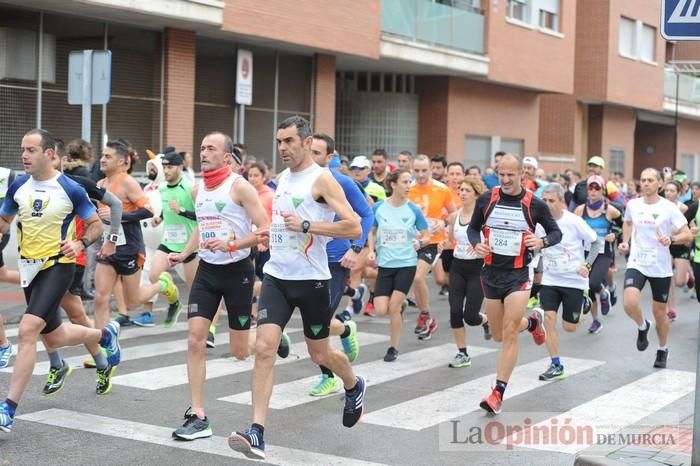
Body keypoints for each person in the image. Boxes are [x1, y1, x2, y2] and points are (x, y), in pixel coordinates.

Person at [229, 116, 363, 460]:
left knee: (320, 353)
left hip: (312, 279)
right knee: (263, 349)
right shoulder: (282, 179)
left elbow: (353, 226)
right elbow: (279, 224)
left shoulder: (323, 180)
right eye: (279, 141)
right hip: (277, 276)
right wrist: (260, 237)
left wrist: (308, 225)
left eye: (289, 141)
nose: (282, 148)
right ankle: (256, 432)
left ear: (306, 142)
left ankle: (352, 382)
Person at [0, 129, 122, 433]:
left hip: (59, 265)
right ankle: (104, 336)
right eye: (23, 149)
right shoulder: (17, 187)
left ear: (51, 154)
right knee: (53, 337)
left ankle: (8, 409)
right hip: (31, 269)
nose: (24, 155)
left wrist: (80, 244)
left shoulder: (71, 188)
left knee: (28, 330)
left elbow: (94, 225)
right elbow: (4, 221)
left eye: (31, 150)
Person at [168, 133, 271, 441]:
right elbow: (201, 223)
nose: (204, 152)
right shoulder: (198, 188)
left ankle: (268, 341)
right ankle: (198, 416)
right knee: (194, 340)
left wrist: (232, 244)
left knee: (240, 351)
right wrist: (186, 253)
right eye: (202, 148)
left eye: (211, 148)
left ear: (227, 157)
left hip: (238, 271)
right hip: (207, 272)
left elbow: (265, 230)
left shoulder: (240, 187)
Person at [468, 154, 562, 414]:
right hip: (491, 273)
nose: (506, 180)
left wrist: (541, 242)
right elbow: (473, 228)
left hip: (520, 275)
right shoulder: (488, 199)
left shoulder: (534, 204)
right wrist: (477, 243)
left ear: (522, 174)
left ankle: (497, 393)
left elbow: (556, 233)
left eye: (511, 174)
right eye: (502, 174)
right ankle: (532, 323)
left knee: (509, 332)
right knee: (498, 333)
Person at [306, 132, 371, 395]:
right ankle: (345, 329)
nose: (311, 158)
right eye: (308, 151)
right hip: (307, 260)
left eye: (317, 153)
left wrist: (357, 248)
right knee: (312, 320)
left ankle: (329, 376)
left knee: (318, 323)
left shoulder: (341, 182)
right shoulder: (295, 182)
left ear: (330, 157)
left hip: (335, 261)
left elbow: (366, 214)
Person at [92, 141, 179, 329]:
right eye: (102, 155)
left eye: (108, 156)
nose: (102, 159)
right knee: (101, 298)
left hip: (129, 248)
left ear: (122, 161)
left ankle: (162, 285)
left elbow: (147, 211)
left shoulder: (127, 182)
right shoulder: (99, 184)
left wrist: (119, 215)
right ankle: (104, 346)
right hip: (108, 247)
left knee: (133, 302)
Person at [620, 168, 692, 369]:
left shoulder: (669, 208)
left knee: (659, 312)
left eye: (650, 180)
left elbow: (688, 235)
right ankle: (643, 326)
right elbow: (627, 223)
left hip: (660, 267)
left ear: (659, 184)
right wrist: (625, 242)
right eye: (643, 180)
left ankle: (662, 349)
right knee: (629, 303)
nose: (645, 183)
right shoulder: (633, 204)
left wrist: (672, 238)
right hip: (637, 262)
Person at [537, 183, 599, 381]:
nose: (547, 205)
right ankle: (556, 364)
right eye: (544, 200)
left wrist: (587, 266)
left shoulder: (574, 221)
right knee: (548, 319)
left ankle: (584, 303)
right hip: (550, 279)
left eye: (551, 201)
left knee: (570, 328)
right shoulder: (539, 223)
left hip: (574, 280)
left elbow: (596, 242)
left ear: (561, 201)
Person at [367, 169, 428, 361]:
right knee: (380, 309)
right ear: (393, 184)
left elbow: (427, 234)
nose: (409, 186)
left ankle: (392, 348)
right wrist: (370, 250)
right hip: (385, 264)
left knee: (392, 307)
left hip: (406, 263)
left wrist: (421, 242)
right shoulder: (379, 207)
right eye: (405, 182)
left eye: (410, 182)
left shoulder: (413, 210)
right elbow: (372, 230)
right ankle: (400, 305)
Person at [407, 154, 455, 339]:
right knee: (411, 282)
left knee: (418, 277)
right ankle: (425, 314)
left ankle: (425, 314)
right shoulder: (408, 188)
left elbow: (453, 213)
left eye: (424, 170)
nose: (420, 175)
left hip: (432, 242)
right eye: (417, 171)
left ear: (431, 169)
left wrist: (444, 223)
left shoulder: (442, 189)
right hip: (411, 242)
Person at [444, 177, 490, 368]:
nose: (462, 193)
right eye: (460, 190)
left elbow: (492, 241)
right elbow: (449, 241)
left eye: (467, 190)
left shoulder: (485, 217)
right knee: (455, 311)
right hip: (458, 267)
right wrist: (441, 245)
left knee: (471, 316)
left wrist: (483, 247)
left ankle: (486, 320)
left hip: (477, 269)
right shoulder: (454, 216)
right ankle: (462, 353)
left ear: (476, 194)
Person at [574, 175, 622, 334]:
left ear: (603, 190)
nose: (593, 191)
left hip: (603, 253)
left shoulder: (610, 210)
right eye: (590, 188)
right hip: (586, 252)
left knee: (594, 283)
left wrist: (614, 235)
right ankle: (596, 320)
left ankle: (604, 293)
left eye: (597, 188)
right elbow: (573, 230)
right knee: (587, 286)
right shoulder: (580, 210)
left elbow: (624, 226)